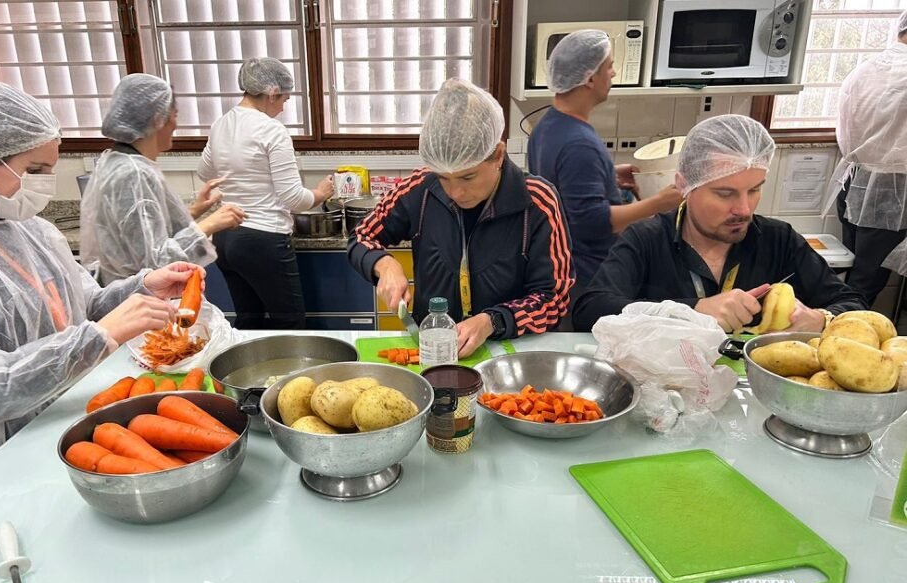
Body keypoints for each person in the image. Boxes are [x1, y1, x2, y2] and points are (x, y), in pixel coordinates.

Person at [0, 82, 203, 489]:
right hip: (2, 453)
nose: (45, 184)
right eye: (35, 171)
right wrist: (101, 335)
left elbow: (84, 305)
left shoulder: (34, 230)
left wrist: (144, 286)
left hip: (72, 419)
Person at [573, 114, 868, 332]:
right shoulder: (647, 239)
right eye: (724, 193)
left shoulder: (778, 240)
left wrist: (822, 319)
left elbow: (855, 305)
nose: (743, 209)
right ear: (685, 186)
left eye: (754, 190)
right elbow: (590, 310)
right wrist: (692, 310)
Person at [348, 79, 574, 357]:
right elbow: (361, 235)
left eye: (468, 176)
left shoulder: (537, 201)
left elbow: (554, 300)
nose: (455, 192)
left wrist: (492, 321)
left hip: (510, 353)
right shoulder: (420, 188)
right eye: (444, 178)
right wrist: (384, 264)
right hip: (431, 351)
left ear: (499, 155)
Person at [527, 30, 682, 289]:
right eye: (609, 66)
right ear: (589, 78)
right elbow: (593, 222)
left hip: (563, 267)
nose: (613, 73)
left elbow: (561, 188)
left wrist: (608, 176)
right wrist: (658, 203)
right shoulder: (580, 144)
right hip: (589, 274)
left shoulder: (546, 126)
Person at [199, 58, 334, 329]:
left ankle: (252, 371)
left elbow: (205, 173)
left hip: (225, 237)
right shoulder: (271, 130)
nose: (283, 107)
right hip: (263, 239)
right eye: (284, 99)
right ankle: (292, 373)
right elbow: (293, 198)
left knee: (249, 321)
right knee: (291, 322)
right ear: (272, 93)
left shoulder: (221, 124)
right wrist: (320, 193)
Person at [80, 73, 245, 285]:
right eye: (174, 114)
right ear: (158, 119)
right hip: (141, 299)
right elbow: (154, 262)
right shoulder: (133, 174)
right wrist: (209, 224)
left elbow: (142, 233)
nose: (176, 124)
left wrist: (195, 211)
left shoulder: (120, 162)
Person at [827, 10, 907, 307]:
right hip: (891, 194)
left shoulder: (867, 68)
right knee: (867, 281)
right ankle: (845, 338)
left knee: (855, 272)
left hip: (854, 182)